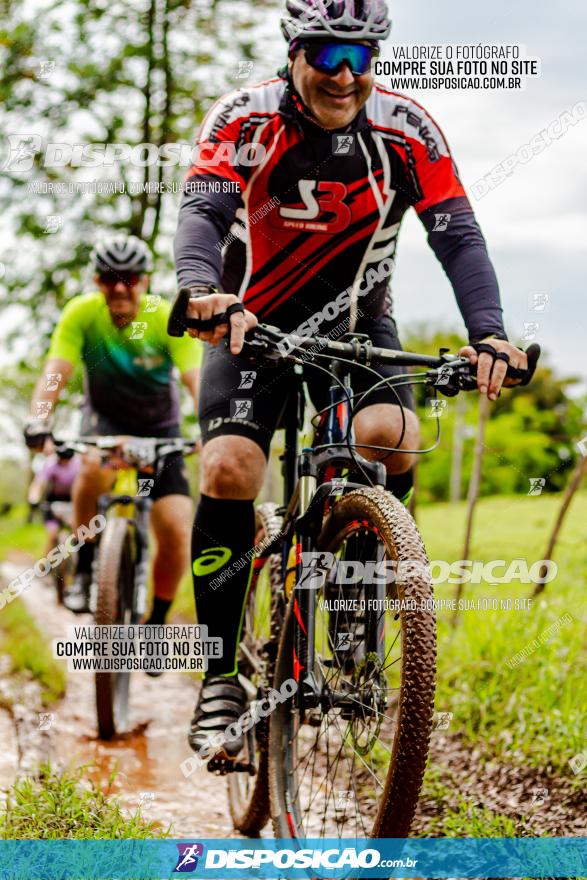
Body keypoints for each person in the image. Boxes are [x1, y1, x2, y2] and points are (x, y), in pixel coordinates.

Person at [173, 0, 529, 760]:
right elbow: (202, 210)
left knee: (388, 437)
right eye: (327, 55)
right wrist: (202, 289)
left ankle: (360, 590)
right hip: (250, 322)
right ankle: (217, 680)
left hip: (357, 326)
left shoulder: (406, 128)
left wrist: (488, 332)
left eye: (361, 58)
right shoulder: (244, 116)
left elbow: (456, 233)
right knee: (231, 467)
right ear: (294, 50)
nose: (344, 76)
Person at [25, 235, 202, 627]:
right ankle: (86, 567)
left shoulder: (163, 316)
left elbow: (197, 379)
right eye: (109, 278)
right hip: (104, 422)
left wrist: (213, 422)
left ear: (146, 280)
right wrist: (39, 418)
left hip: (162, 428)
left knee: (174, 530)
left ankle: (156, 619)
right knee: (91, 469)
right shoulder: (82, 314)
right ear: (96, 281)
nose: (120, 287)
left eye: (130, 277)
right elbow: (55, 372)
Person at [28, 443, 80, 558]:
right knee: (52, 534)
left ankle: (77, 566)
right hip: (53, 500)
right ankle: (44, 564)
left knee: (77, 532)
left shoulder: (78, 464)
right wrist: (33, 499)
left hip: (73, 500)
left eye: (68, 458)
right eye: (62, 458)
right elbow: (39, 484)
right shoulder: (50, 464)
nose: (65, 461)